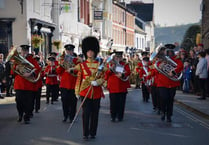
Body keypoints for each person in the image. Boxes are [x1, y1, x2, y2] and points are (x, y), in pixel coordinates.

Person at [75, 36, 105, 140]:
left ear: (95, 52)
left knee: (95, 114)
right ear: (85, 52)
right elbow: (79, 78)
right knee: (86, 113)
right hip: (84, 92)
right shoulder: (82, 65)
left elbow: (103, 78)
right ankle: (85, 133)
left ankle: (93, 132)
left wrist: (98, 82)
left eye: (92, 51)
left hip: (96, 92)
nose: (90, 53)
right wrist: (77, 91)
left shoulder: (99, 65)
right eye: (88, 51)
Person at [11, 45, 41, 124]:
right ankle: (20, 114)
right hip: (19, 84)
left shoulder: (32, 59)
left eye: (26, 51)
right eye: (23, 51)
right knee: (18, 100)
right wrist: (16, 68)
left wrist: (30, 73)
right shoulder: (17, 60)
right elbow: (12, 72)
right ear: (21, 51)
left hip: (29, 84)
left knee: (29, 102)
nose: (24, 52)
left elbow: (37, 69)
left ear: (28, 52)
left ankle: (27, 117)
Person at [158, 44, 183, 122]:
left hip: (172, 83)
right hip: (162, 82)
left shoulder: (176, 59)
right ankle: (162, 111)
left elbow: (180, 66)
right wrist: (160, 66)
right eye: (168, 51)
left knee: (170, 99)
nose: (169, 53)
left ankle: (169, 115)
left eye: (171, 51)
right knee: (163, 98)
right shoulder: (161, 59)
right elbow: (155, 67)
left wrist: (174, 71)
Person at [56, 44, 80, 123]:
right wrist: (62, 65)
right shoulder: (63, 59)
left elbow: (80, 71)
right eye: (68, 50)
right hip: (64, 84)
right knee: (64, 101)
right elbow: (58, 72)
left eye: (70, 50)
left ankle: (72, 117)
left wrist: (72, 70)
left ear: (73, 51)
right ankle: (65, 116)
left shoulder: (77, 60)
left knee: (73, 102)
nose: (69, 52)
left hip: (73, 84)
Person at [105, 51, 131, 122]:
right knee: (113, 103)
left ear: (122, 57)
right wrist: (110, 69)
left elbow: (128, 72)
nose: (118, 58)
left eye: (120, 57)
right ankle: (113, 116)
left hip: (122, 86)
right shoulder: (110, 64)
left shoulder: (125, 64)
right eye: (117, 57)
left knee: (121, 103)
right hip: (113, 86)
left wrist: (122, 75)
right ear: (114, 57)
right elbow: (106, 74)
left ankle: (120, 116)